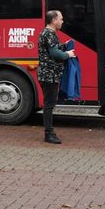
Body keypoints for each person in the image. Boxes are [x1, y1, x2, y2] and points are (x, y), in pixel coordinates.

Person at [37, 10, 76, 144]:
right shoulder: (49, 34)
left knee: (50, 104)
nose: (62, 21)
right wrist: (67, 54)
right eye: (61, 19)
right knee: (49, 105)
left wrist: (63, 46)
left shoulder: (48, 33)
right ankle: (49, 134)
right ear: (54, 20)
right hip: (49, 76)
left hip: (48, 75)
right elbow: (55, 54)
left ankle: (49, 132)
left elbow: (52, 49)